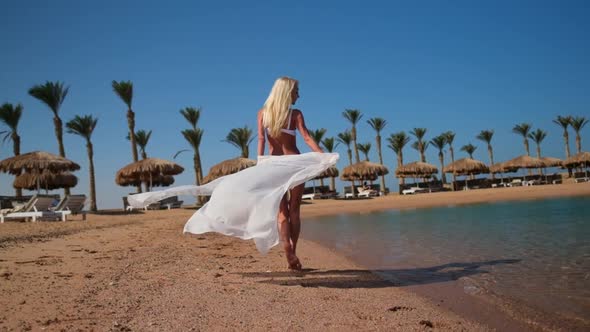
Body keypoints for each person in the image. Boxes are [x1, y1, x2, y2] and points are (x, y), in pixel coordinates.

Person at [257, 76, 323, 270]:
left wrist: (260, 163)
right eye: (296, 92)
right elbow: (307, 138)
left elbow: (261, 139)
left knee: (282, 213)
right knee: (294, 209)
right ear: (287, 93)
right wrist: (322, 156)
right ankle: (293, 249)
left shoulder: (263, 114)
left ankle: (286, 246)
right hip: (294, 164)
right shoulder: (295, 114)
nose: (298, 96)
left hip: (273, 166)